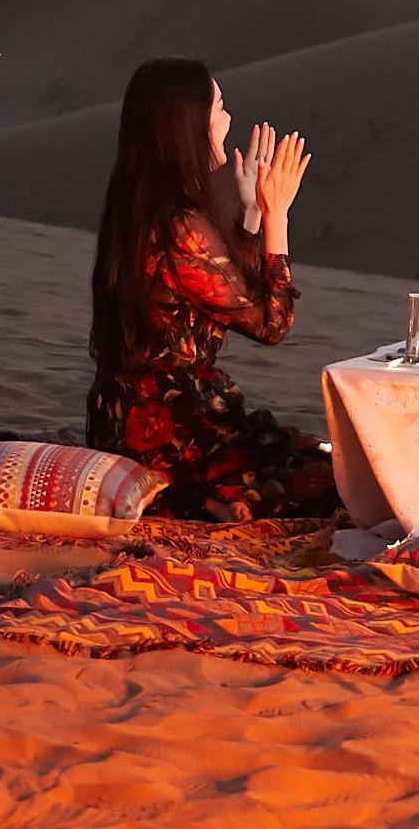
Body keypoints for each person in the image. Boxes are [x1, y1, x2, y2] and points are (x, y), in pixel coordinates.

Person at [84, 56, 340, 523]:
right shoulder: (180, 224)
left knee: (314, 454)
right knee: (334, 481)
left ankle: (201, 494)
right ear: (189, 123)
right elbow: (271, 323)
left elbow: (220, 290)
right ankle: (192, 494)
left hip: (124, 417)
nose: (227, 120)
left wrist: (251, 215)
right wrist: (278, 213)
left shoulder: (145, 209)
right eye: (218, 107)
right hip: (169, 430)